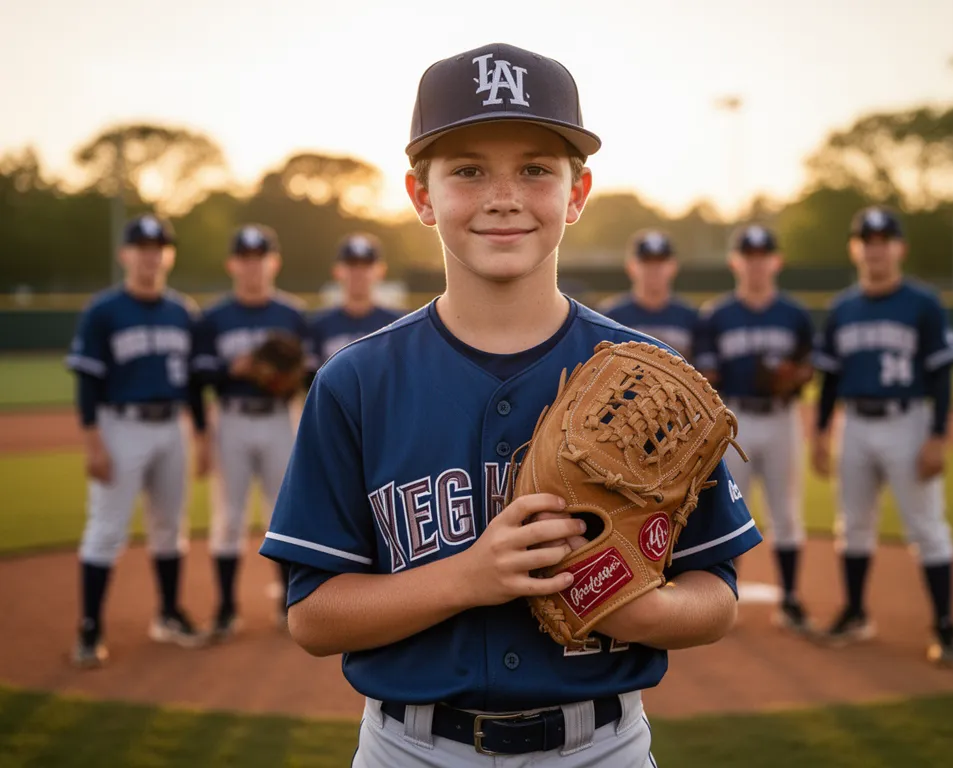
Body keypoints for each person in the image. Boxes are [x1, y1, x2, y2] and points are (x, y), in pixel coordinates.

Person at [260, 43, 762, 766]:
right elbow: (312, 617)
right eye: (468, 170)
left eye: (535, 169)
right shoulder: (356, 383)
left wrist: (631, 604)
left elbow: (716, 594)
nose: (504, 196)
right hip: (411, 748)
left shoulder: (648, 384)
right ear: (421, 196)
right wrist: (469, 578)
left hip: (602, 746)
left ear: (577, 193)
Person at [812, 206, 953, 667]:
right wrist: (821, 432)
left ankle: (945, 625)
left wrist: (938, 435)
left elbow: (941, 376)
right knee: (853, 524)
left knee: (928, 528)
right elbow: (830, 381)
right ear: (855, 248)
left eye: (884, 240)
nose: (876, 248)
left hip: (908, 422)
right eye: (867, 240)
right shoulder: (842, 308)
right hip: (854, 425)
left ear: (899, 247)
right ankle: (856, 612)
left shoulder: (923, 303)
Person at [66, 214, 207, 668]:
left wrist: (201, 435)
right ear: (124, 254)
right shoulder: (103, 311)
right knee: (106, 530)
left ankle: (167, 614)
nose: (150, 254)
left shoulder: (182, 311)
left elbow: (192, 385)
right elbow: (87, 382)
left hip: (172, 427)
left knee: (171, 526)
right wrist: (93, 442)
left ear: (167, 254)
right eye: (141, 246)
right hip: (119, 425)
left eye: (159, 246)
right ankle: (90, 628)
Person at [191, 224, 313, 640]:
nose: (253, 266)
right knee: (229, 515)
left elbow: (310, 371)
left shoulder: (292, 314)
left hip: (280, 418)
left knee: (285, 513)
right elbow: (200, 372)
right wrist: (234, 369)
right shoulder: (213, 317)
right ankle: (226, 607)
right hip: (233, 418)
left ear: (272, 263)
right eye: (245, 259)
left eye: (260, 258)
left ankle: (285, 603)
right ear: (233, 265)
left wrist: (284, 375)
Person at [693, 224, 815, 633]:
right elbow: (707, 375)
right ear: (736, 262)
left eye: (763, 256)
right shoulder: (717, 315)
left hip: (782, 419)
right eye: (749, 256)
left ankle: (792, 599)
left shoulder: (795, 314)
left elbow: (808, 368)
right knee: (727, 512)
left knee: (786, 512)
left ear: (775, 262)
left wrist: (794, 376)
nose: (757, 264)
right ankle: (725, 600)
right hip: (735, 421)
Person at [309, 233, 404, 366]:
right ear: (337, 271)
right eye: (352, 264)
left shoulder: (399, 324)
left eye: (366, 265)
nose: (359, 272)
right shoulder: (318, 326)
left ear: (381, 270)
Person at [601, 230, 698, 358]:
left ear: (673, 266)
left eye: (660, 262)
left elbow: (705, 372)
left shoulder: (690, 317)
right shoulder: (611, 317)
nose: (654, 269)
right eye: (646, 262)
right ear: (631, 266)